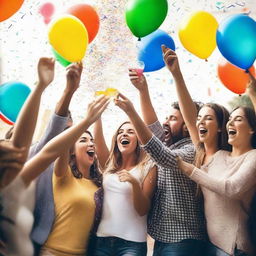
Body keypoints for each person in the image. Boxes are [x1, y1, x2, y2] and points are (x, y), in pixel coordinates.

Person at [163, 46, 256, 255]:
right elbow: (189, 115)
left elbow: (231, 188)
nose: (200, 122)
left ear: (220, 126)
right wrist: (177, 74)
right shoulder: (208, 155)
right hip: (211, 246)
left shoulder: (236, 156)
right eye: (199, 118)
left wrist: (189, 170)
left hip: (235, 247)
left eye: (209, 118)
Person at [0, 95, 109, 256]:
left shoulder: (99, 183)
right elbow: (48, 149)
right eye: (82, 140)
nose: (90, 143)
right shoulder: (60, 171)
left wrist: (42, 86)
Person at [126, 68, 207, 255]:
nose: (165, 122)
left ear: (187, 127)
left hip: (184, 239)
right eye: (167, 117)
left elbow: (162, 156)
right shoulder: (170, 144)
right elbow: (152, 127)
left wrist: (131, 112)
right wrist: (143, 91)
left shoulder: (193, 150)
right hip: (163, 238)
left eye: (172, 119)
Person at [30, 62, 83, 253]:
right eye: (64, 131)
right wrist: (69, 91)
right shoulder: (38, 153)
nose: (67, 137)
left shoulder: (78, 167)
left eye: (71, 131)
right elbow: (54, 129)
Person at [93, 119, 157, 256]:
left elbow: (143, 210)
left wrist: (134, 183)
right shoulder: (109, 165)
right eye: (120, 132)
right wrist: (97, 116)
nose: (124, 135)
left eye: (130, 132)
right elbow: (98, 142)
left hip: (132, 244)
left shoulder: (148, 167)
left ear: (139, 140)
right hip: (102, 240)